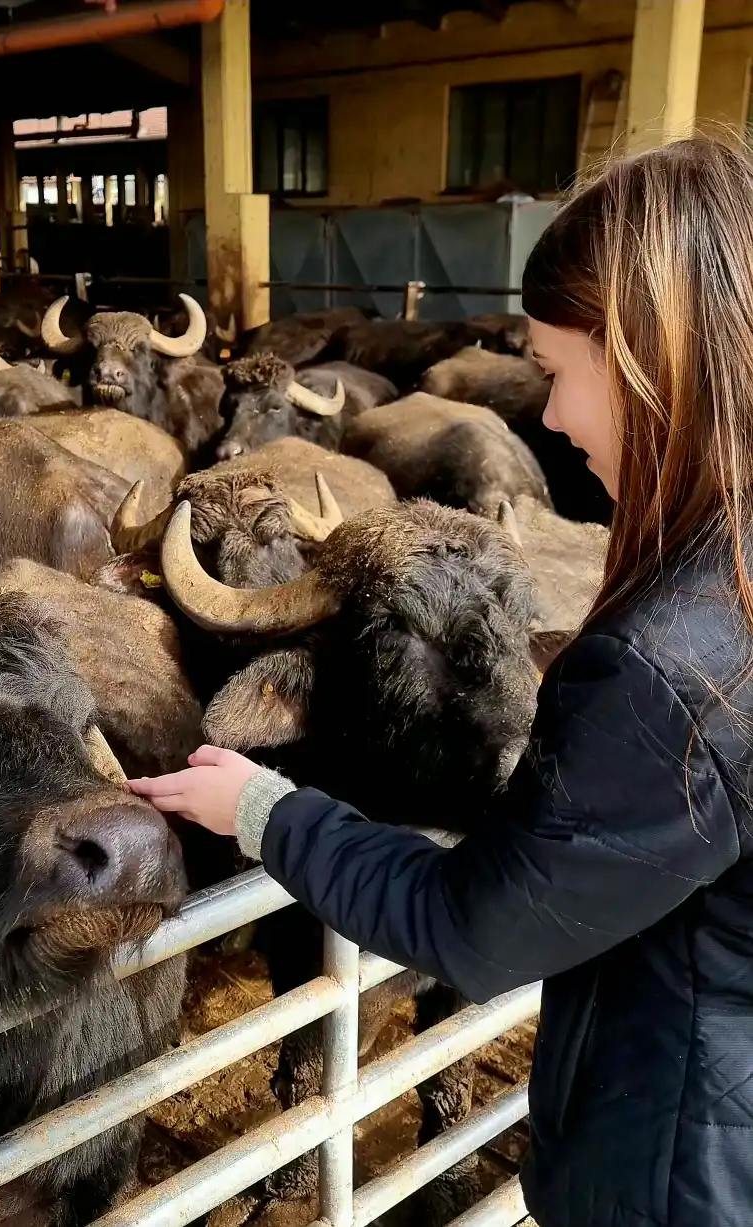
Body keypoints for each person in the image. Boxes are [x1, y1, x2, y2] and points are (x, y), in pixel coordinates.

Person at [128, 136, 753, 1227]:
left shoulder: (671, 663)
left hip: (677, 1183)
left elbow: (481, 930)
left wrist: (266, 810)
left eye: (557, 377)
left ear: (661, 362)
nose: (548, 420)